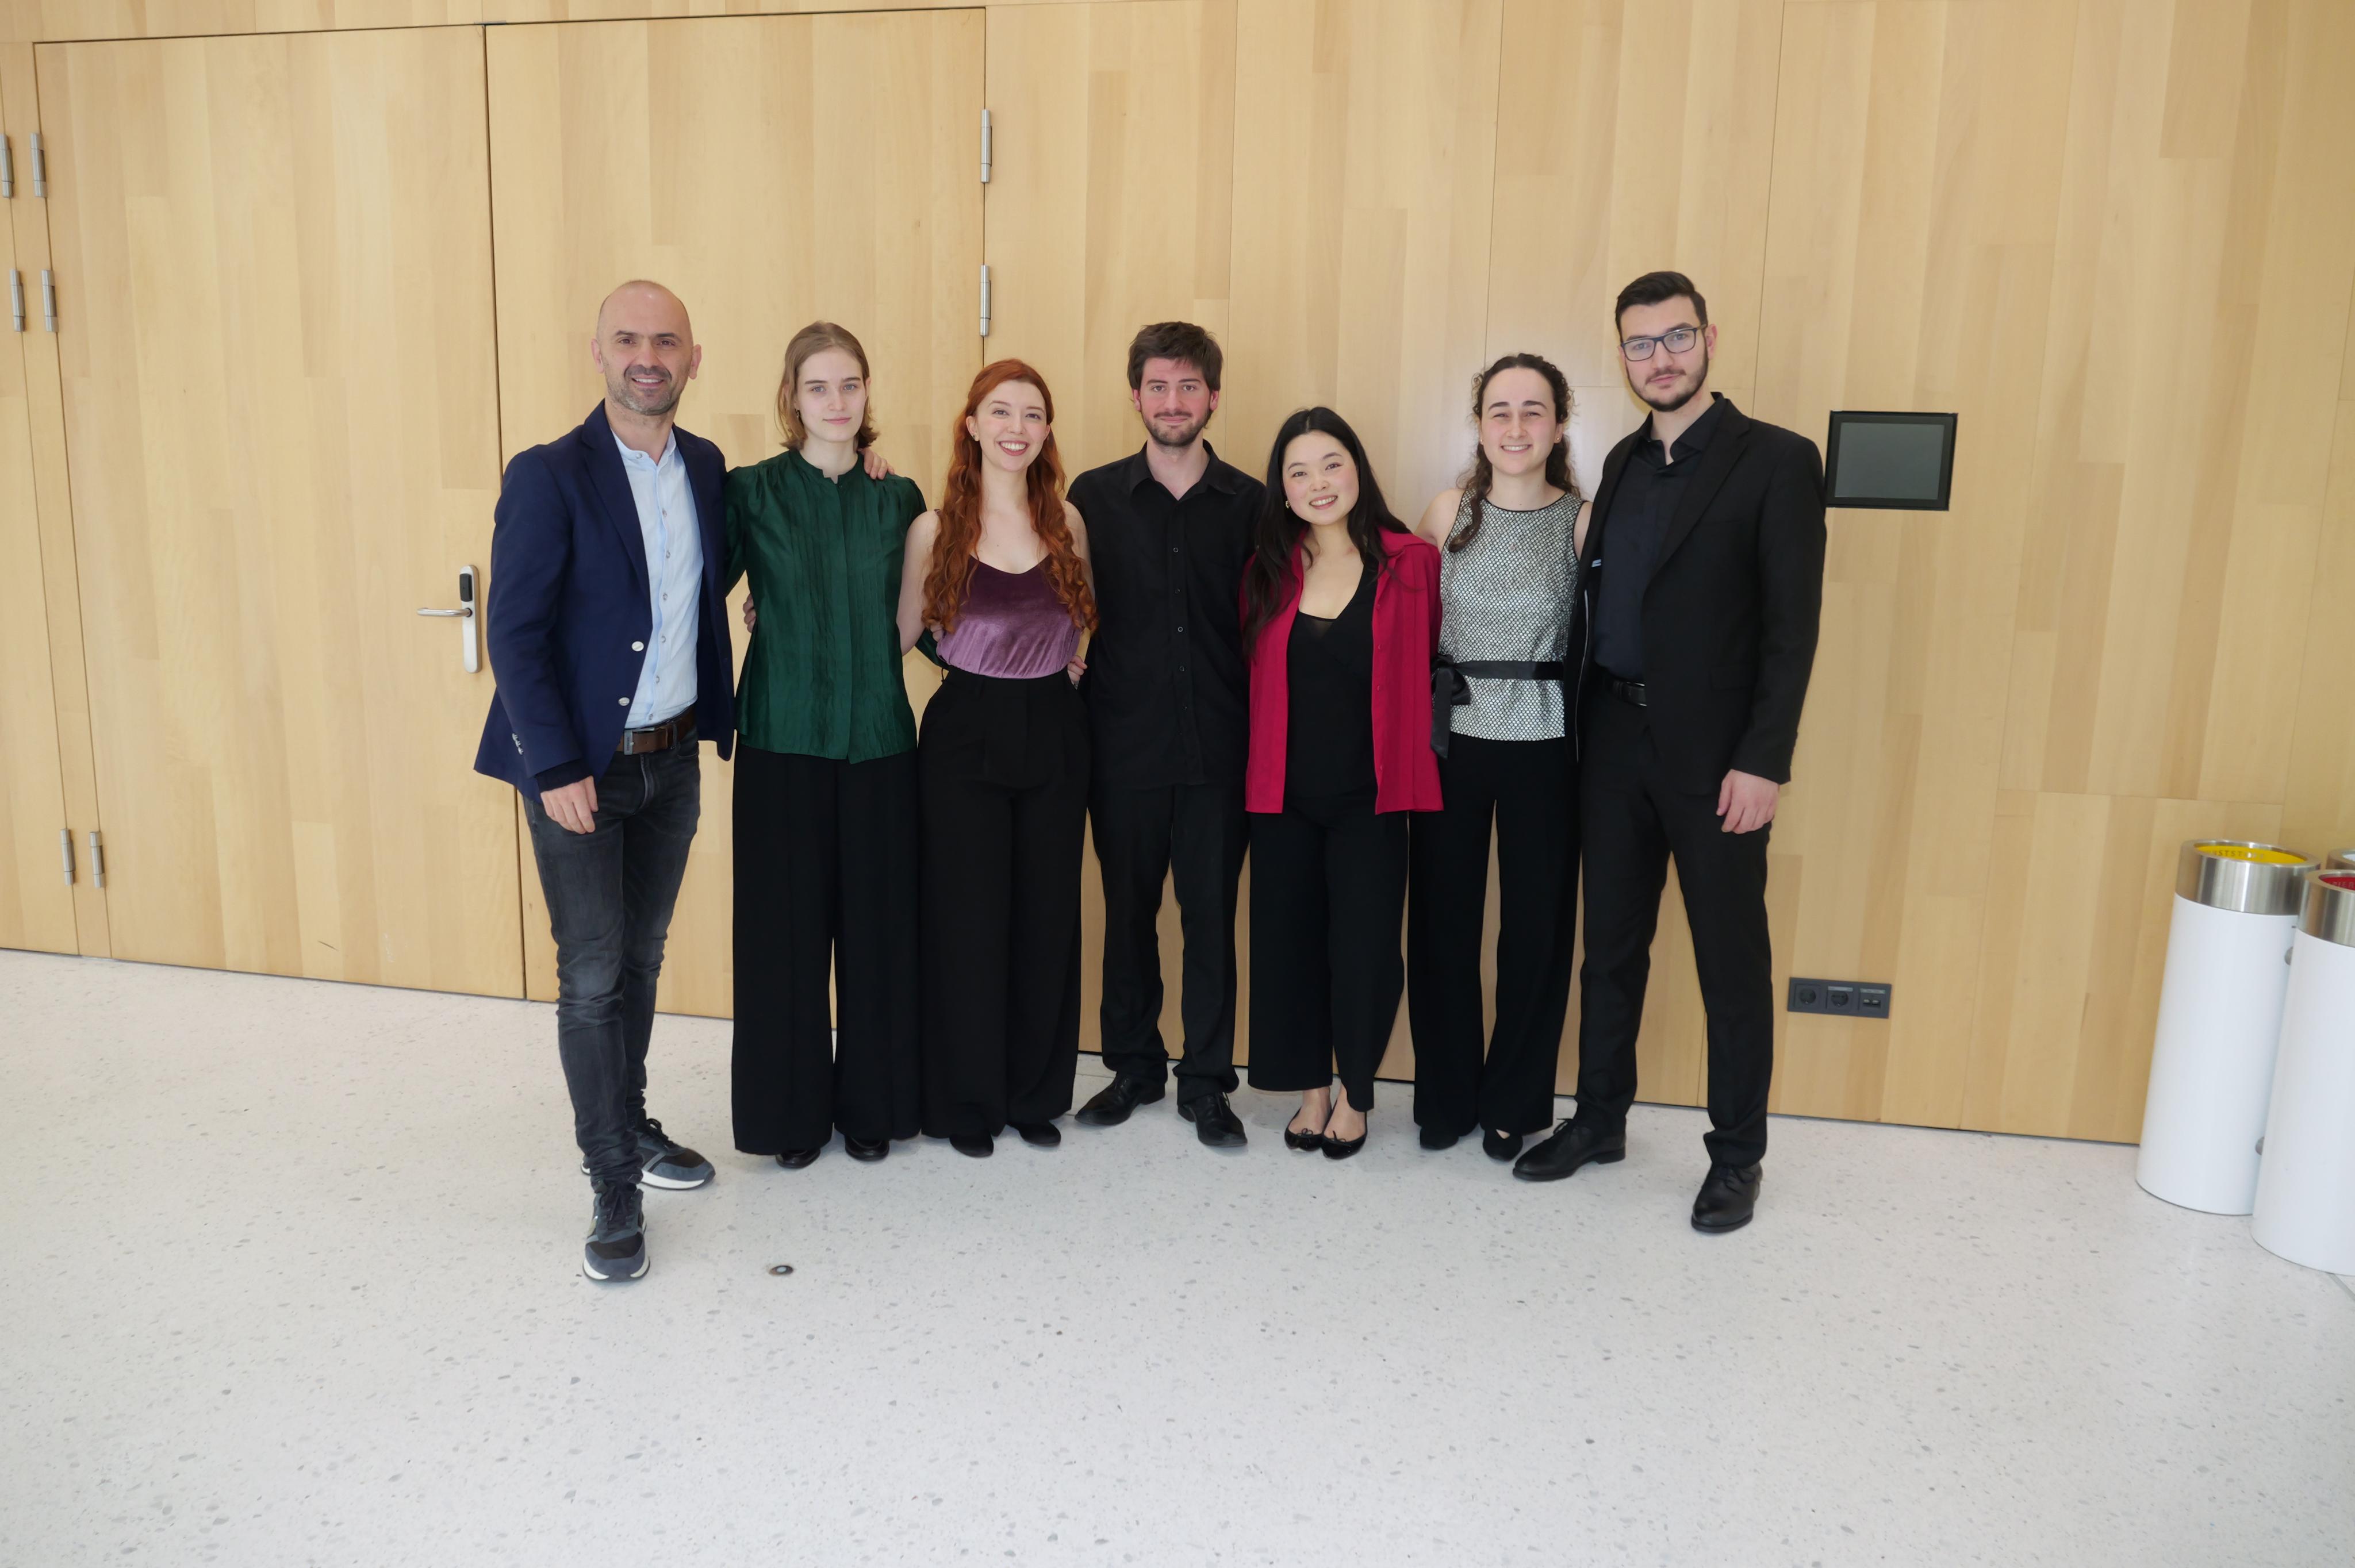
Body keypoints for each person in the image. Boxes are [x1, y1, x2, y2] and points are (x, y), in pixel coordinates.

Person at [1513, 271, 1826, 1234]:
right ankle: (1599, 1120)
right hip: (1613, 740)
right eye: (1641, 344)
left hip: (1719, 759)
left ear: (1709, 339)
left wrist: (1764, 760)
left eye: (1677, 337)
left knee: (1730, 964)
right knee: (1609, 950)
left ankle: (1737, 1157)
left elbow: (1792, 630)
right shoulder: (1620, 462)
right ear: (1623, 356)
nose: (1661, 358)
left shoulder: (1778, 460)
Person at [474, 280, 732, 1282]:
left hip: (674, 759)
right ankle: (613, 1180)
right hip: (580, 770)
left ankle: (630, 1118)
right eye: (628, 339)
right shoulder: (548, 474)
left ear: (693, 358)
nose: (647, 357)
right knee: (591, 974)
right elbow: (515, 632)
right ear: (598, 354)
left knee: (644, 957)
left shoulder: (705, 466)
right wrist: (554, 765)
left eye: (666, 341)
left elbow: (706, 583)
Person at [726, 322, 925, 1169]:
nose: (836, 402)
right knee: (785, 938)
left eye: (850, 385)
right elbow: (693, 587)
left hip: (880, 741)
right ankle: (789, 1118)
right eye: (818, 387)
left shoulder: (900, 497)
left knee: (880, 932)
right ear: (792, 398)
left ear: (867, 392)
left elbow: (925, 616)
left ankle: (874, 1106)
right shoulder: (751, 492)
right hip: (782, 738)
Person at [1067, 324, 1262, 1150]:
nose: (1173, 402)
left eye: (1188, 386)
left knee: (1211, 921)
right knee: (1128, 915)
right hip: (1122, 743)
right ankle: (1134, 1067)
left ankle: (1208, 1082)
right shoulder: (1091, 496)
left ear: (1214, 397)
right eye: (1158, 386)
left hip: (1222, 747)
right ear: (1136, 395)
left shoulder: (1255, 503)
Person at [902, 361, 1096, 1157]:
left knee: (1046, 918)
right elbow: (899, 633)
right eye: (1001, 412)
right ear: (973, 425)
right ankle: (967, 1102)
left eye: (1033, 414)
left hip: (1055, 728)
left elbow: (1088, 618)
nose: (1017, 427)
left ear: (1047, 431)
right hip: (964, 734)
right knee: (967, 922)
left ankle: (1033, 1096)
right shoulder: (934, 529)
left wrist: (1068, 668)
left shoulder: (1068, 521)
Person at [1240, 408, 1442, 1159]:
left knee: (1364, 951)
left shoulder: (1411, 562)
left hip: (1373, 798)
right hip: (1283, 798)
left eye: (1332, 464)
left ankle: (1356, 1094)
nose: (1318, 483)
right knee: (1289, 948)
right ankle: (1311, 1092)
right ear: (1283, 490)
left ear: (1358, 469)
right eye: (1299, 472)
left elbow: (1435, 664)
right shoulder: (1266, 569)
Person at [1407, 353, 1585, 1162]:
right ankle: (1445, 1095)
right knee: (1442, 924)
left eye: (1533, 411)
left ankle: (1516, 1101)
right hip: (1453, 740)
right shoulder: (1448, 512)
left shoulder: (1582, 520)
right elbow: (1406, 624)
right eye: (1500, 411)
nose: (1516, 427)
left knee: (1536, 932)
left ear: (1559, 425)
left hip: (1546, 744)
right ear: (1479, 426)